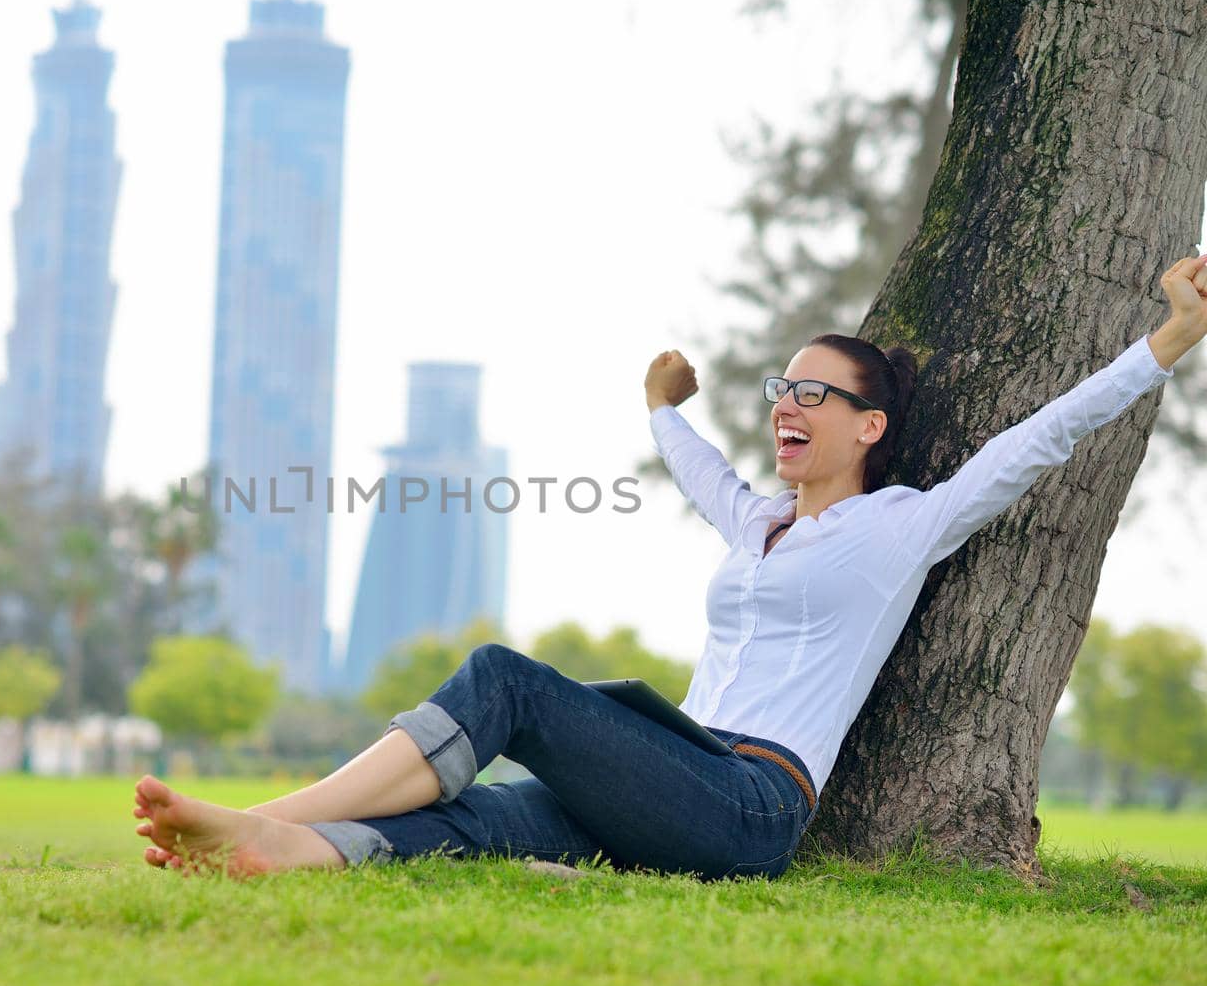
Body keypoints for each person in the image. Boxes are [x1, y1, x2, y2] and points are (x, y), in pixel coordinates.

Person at [132, 253, 1207, 881]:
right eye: (782, 388)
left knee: (506, 680)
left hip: (748, 801)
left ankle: (277, 815)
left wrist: (1165, 343)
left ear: (871, 425)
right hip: (671, 769)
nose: (786, 404)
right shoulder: (755, 525)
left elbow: (1040, 439)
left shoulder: (902, 527)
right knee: (481, 816)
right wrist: (660, 407)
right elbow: (698, 470)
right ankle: (280, 856)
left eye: (815, 394)